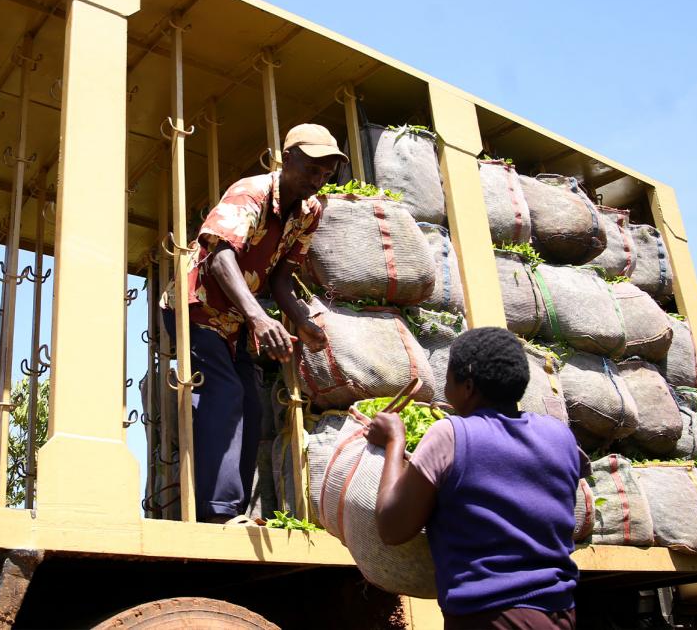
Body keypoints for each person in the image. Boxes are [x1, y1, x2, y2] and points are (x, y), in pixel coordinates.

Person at [162, 123, 346, 523]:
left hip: (237, 318)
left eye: (326, 174)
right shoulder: (252, 192)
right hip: (197, 306)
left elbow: (281, 276)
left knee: (251, 404)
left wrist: (300, 319)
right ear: (288, 157)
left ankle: (234, 509)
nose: (317, 181)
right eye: (312, 169)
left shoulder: (310, 212)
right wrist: (259, 317)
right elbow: (219, 256)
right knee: (223, 393)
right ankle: (217, 512)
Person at [366, 327, 585, 629]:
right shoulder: (560, 437)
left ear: (467, 387)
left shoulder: (450, 436)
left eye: (448, 378)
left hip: (490, 617)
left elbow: (392, 528)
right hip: (559, 614)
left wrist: (394, 442)